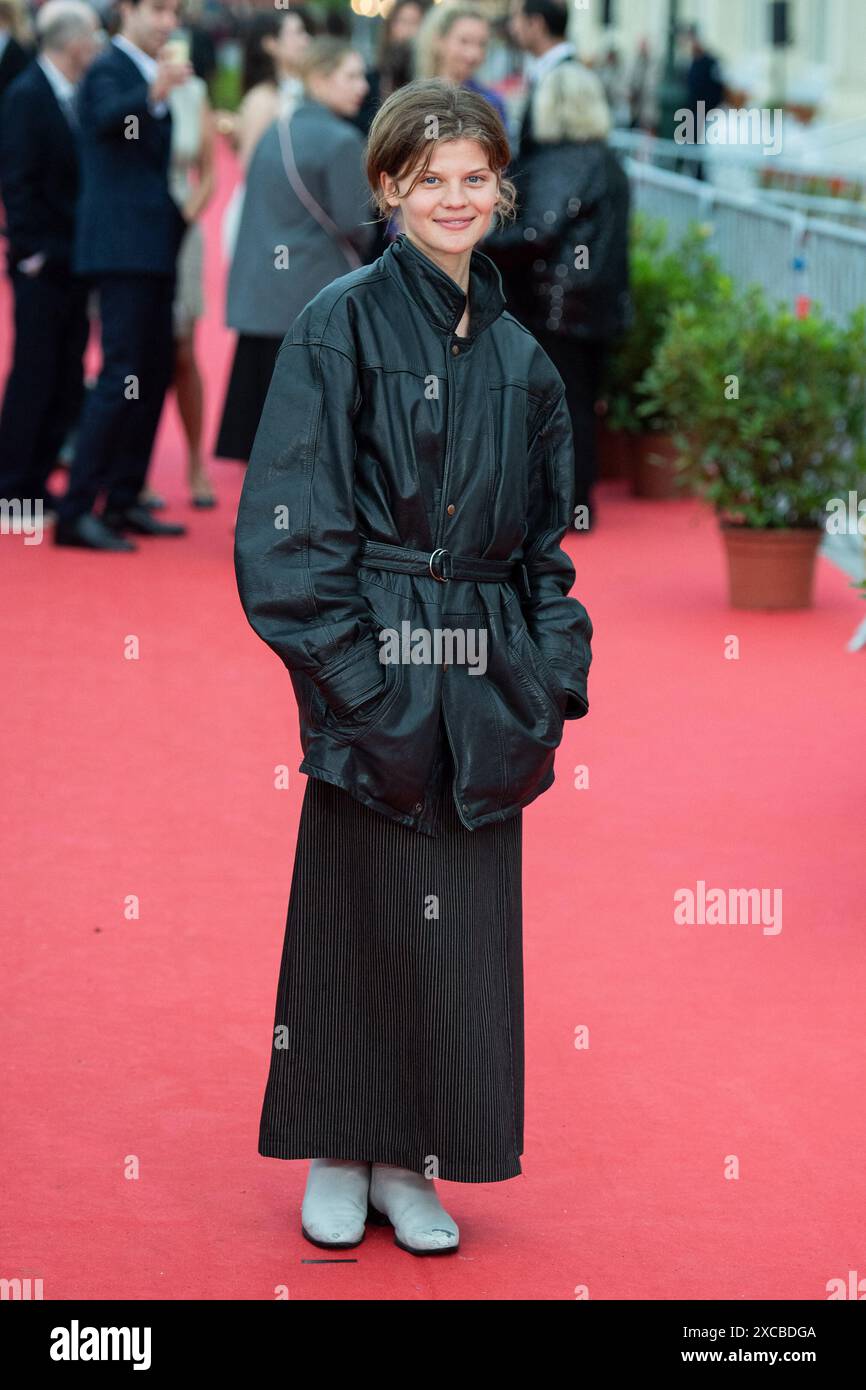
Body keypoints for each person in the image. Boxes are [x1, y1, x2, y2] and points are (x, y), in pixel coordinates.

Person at [233, 77, 593, 1256]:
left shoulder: (527, 363)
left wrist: (547, 683)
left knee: (464, 935)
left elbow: (548, 553)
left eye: (473, 176)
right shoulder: (337, 322)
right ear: (387, 189)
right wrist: (361, 685)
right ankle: (340, 1148)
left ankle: (418, 1159)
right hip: (374, 660)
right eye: (428, 178)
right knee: (356, 917)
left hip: (489, 683)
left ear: (499, 187)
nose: (453, 197)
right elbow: (289, 531)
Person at [54, 0, 192, 551]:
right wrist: (154, 92)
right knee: (120, 374)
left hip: (152, 247)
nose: (168, 22)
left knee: (153, 371)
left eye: (175, 12)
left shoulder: (139, 71)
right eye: (158, 9)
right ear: (128, 10)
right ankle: (76, 510)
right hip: (120, 249)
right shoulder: (110, 66)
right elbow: (102, 121)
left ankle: (124, 497)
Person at [484, 61, 630, 528]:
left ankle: (560, 507)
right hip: (596, 304)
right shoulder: (610, 163)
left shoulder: (553, 163)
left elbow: (535, 233)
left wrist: (476, 243)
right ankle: (576, 505)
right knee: (580, 404)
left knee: (552, 407)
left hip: (553, 305)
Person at [214, 35, 373, 465]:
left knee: (266, 436)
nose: (363, 85)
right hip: (312, 297)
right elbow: (357, 225)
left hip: (265, 299)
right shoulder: (340, 140)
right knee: (310, 438)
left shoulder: (276, 131)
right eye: (352, 75)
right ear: (320, 79)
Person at [0, 1, 100, 517]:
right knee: (35, 373)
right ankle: (12, 485)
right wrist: (30, 252)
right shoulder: (27, 95)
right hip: (41, 262)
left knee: (65, 370)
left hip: (73, 260)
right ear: (75, 43)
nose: (99, 46)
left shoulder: (73, 94)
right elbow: (15, 181)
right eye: (94, 37)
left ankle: (36, 481)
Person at [138, 63, 218, 508]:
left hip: (181, 231)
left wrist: (182, 220)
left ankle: (195, 463)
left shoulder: (192, 88)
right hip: (129, 234)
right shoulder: (118, 84)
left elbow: (207, 172)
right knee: (136, 353)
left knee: (183, 351)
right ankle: (135, 466)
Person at [215, 7, 316, 265]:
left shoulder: (304, 91)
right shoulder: (262, 99)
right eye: (297, 33)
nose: (306, 41)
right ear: (271, 44)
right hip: (266, 214)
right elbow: (250, 164)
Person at [414, 3, 509, 133]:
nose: (474, 54)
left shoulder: (490, 104)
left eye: (482, 44)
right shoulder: (415, 100)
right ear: (439, 40)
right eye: (464, 41)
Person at [507, 0, 576, 160]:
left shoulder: (567, 79)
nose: (513, 28)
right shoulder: (546, 71)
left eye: (516, 17)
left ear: (536, 23)